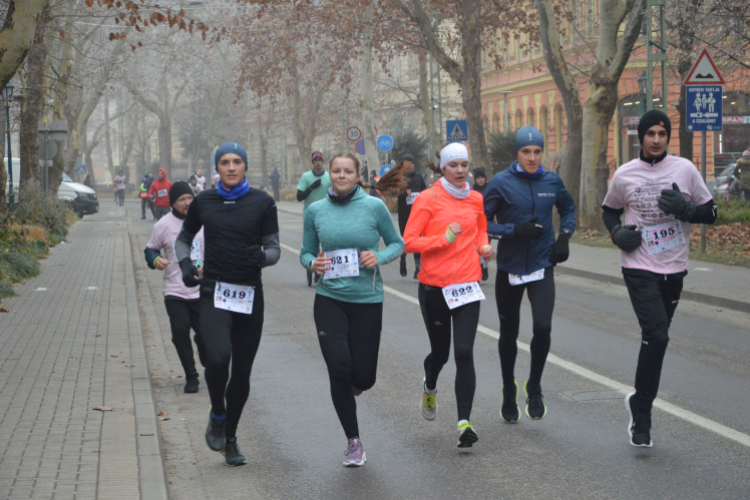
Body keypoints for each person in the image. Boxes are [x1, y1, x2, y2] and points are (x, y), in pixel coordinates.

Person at [601, 110, 717, 448]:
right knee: (657, 334)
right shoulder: (624, 174)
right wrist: (617, 233)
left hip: (674, 266)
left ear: (667, 137)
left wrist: (686, 210)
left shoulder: (685, 169)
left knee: (656, 340)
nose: (655, 139)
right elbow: (609, 210)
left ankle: (639, 401)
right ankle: (644, 415)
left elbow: (711, 213)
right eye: (650, 133)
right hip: (638, 265)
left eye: (661, 134)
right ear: (641, 136)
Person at [175, 142, 280, 467]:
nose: (231, 167)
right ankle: (217, 413)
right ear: (216, 168)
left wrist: (262, 257)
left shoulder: (262, 202)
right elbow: (184, 239)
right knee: (218, 359)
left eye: (237, 162)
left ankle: (230, 439)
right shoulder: (204, 201)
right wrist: (185, 265)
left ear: (245, 166)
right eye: (225, 162)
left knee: (242, 373)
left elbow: (274, 248)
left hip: (249, 294)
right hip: (214, 292)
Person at [300, 153, 405, 467]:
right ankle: (353, 442)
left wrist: (379, 257)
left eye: (347, 171)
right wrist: (312, 263)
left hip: (367, 300)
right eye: (336, 171)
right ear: (329, 174)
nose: (341, 175)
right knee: (339, 369)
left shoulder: (374, 206)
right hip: (329, 298)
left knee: (364, 377)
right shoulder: (316, 210)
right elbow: (306, 251)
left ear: (357, 174)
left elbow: (397, 244)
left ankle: (353, 386)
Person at [403, 142, 494, 449]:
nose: (459, 171)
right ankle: (430, 385)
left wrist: (483, 246)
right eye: (453, 165)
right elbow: (409, 241)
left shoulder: (476, 199)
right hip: (434, 288)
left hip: (467, 284)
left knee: (464, 351)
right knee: (440, 354)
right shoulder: (429, 199)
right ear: (442, 168)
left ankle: (463, 423)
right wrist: (444, 239)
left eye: (464, 165)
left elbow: (480, 228)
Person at [483, 126, 576, 423]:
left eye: (537, 152)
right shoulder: (500, 183)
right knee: (508, 333)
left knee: (543, 327)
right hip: (510, 267)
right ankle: (509, 389)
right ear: (517, 154)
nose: (533, 157)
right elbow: (480, 223)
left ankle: (534, 386)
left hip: (541, 264)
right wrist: (513, 230)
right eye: (526, 152)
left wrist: (564, 237)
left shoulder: (552, 180)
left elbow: (569, 210)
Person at [144, 181, 208, 393]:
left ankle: (205, 353)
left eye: (190, 198)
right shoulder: (163, 225)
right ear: (173, 203)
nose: (187, 203)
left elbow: (217, 248)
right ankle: (191, 376)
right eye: (182, 199)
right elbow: (150, 250)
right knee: (180, 333)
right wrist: (155, 261)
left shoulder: (204, 221)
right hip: (174, 290)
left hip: (201, 289)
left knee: (205, 334)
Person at [297, 151, 332, 286]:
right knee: (312, 245)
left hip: (326, 214)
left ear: (323, 162)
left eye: (320, 160)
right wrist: (311, 187)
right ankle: (313, 267)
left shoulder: (329, 177)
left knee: (325, 243)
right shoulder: (306, 177)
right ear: (312, 162)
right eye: (315, 160)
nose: (318, 162)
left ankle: (322, 270)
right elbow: (299, 197)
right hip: (309, 215)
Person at [396, 154, 427, 279]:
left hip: (417, 212)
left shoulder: (418, 177)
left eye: (412, 163)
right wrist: (404, 193)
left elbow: (425, 191)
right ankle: (402, 261)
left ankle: (418, 267)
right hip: (404, 212)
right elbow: (393, 191)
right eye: (408, 163)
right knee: (404, 238)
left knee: (417, 239)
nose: (411, 166)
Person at [472, 168, 489, 281]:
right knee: (478, 247)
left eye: (482, 177)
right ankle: (480, 267)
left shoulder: (490, 189)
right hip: (475, 221)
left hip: (489, 221)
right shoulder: (471, 191)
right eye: (478, 178)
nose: (481, 180)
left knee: (486, 246)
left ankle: (485, 267)